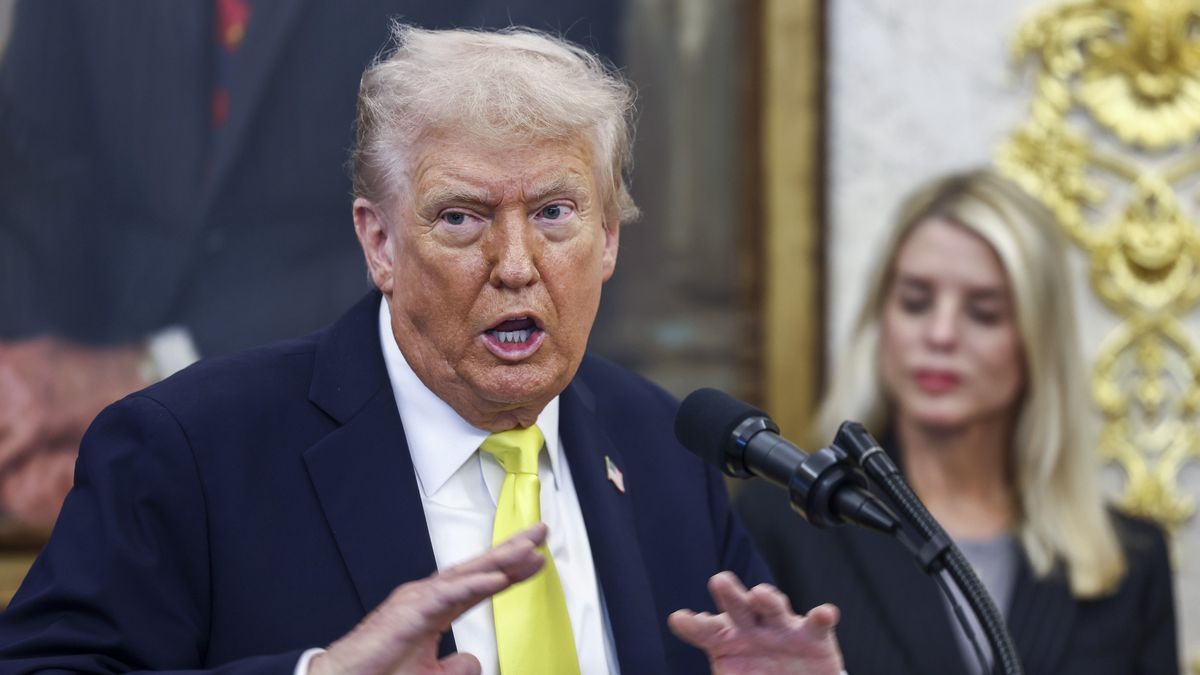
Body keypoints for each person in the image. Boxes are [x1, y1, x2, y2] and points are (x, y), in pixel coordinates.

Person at [0, 25, 845, 675]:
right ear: (379, 244)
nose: (516, 266)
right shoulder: (190, 449)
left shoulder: (664, 449)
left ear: (611, 240)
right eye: (461, 218)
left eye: (555, 213)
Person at [0, 0, 623, 527]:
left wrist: (149, 367)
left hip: (389, 448)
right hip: (80, 459)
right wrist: (27, 402)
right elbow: (33, 165)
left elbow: (517, 184)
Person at [737, 169, 1180, 675]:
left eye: (984, 312)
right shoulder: (786, 522)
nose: (941, 334)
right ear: (881, 321)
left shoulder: (1129, 560)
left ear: (1037, 342)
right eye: (916, 303)